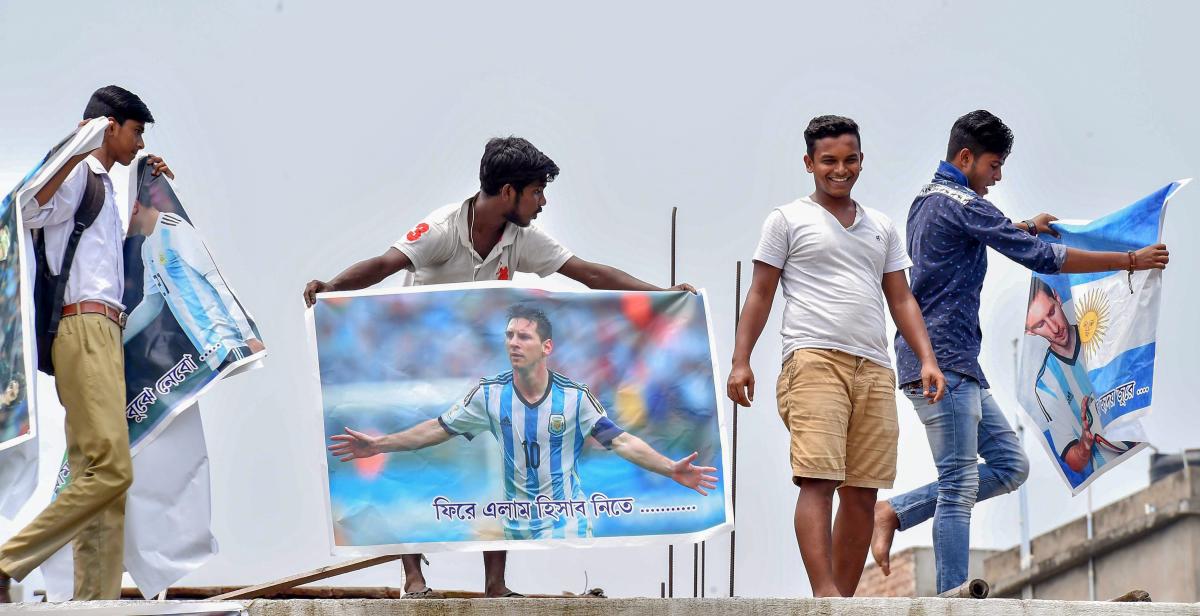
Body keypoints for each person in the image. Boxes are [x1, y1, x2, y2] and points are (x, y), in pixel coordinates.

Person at [302, 136, 694, 598]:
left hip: (472, 367)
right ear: (508, 193)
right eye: (536, 192)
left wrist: (661, 293)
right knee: (409, 461)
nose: (543, 202)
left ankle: (495, 584)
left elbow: (587, 273)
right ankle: (413, 577)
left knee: (499, 458)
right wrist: (331, 286)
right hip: (418, 369)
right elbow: (385, 265)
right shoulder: (442, 229)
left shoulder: (520, 239)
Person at [873, 110, 1169, 593]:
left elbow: (985, 231)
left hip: (953, 362)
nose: (998, 176)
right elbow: (1042, 257)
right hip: (940, 363)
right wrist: (1129, 260)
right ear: (965, 157)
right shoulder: (964, 204)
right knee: (958, 486)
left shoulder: (930, 199)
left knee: (1011, 466)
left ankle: (893, 511)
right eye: (994, 165)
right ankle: (954, 596)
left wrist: (1024, 225)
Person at [726, 115, 946, 598]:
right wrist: (741, 359)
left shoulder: (881, 227)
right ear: (810, 163)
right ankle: (824, 594)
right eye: (829, 160)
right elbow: (761, 293)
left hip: (874, 366)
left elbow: (902, 298)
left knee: (864, 492)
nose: (839, 169)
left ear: (861, 161)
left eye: (849, 159)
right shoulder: (786, 220)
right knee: (818, 479)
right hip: (814, 360)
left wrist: (927, 357)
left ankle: (842, 603)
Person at [329, 304, 718, 541]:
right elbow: (435, 429)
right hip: (516, 526)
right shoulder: (488, 395)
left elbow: (621, 441)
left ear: (546, 347)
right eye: (509, 335)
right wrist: (379, 445)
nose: (514, 343)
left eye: (524, 337)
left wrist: (670, 468)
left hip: (567, 523)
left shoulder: (575, 397)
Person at [0, 86, 172, 602]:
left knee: (102, 479)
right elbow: (25, 209)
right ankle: (7, 561)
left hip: (104, 330)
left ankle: (94, 604)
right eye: (135, 132)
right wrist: (78, 145)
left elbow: (115, 262)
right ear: (110, 126)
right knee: (112, 469)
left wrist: (149, 189)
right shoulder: (77, 172)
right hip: (83, 327)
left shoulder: (101, 184)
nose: (139, 143)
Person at [123, 162, 264, 371]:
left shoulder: (174, 228)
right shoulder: (147, 248)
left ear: (133, 207)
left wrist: (249, 335)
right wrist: (116, 340)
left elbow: (216, 277)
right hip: (211, 355)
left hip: (231, 343)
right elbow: (151, 303)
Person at [1025, 279, 1135, 481]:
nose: (1054, 327)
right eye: (1040, 324)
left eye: (1051, 312)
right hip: (1108, 480)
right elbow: (1074, 462)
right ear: (1030, 331)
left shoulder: (1100, 333)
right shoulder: (1045, 386)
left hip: (1146, 451)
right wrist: (1085, 441)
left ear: (1057, 299)